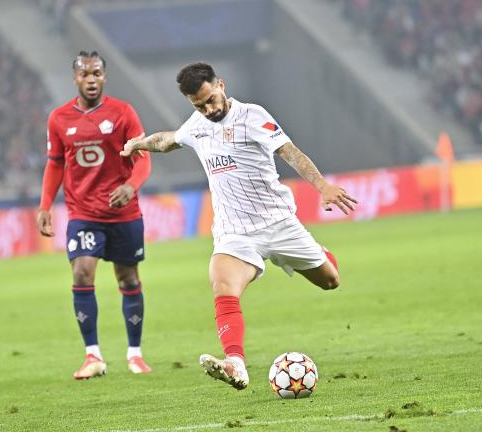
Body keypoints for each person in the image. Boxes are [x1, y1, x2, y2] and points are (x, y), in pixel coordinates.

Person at [121, 62, 357, 390]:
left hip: (279, 223)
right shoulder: (197, 124)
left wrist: (322, 187)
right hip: (235, 232)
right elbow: (167, 141)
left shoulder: (252, 116)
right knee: (222, 285)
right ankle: (235, 362)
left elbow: (290, 153)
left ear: (221, 84)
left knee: (330, 282)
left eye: (211, 99)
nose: (209, 108)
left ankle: (320, 254)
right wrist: (138, 144)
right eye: (199, 105)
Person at [37, 51, 153, 379]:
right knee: (82, 274)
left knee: (127, 278)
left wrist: (131, 186)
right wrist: (46, 205)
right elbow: (55, 164)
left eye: (97, 74)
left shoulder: (123, 113)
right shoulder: (59, 119)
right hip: (83, 213)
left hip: (124, 213)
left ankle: (135, 353)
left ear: (104, 76)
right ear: (75, 78)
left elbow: (143, 158)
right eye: (85, 74)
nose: (91, 80)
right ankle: (93, 356)